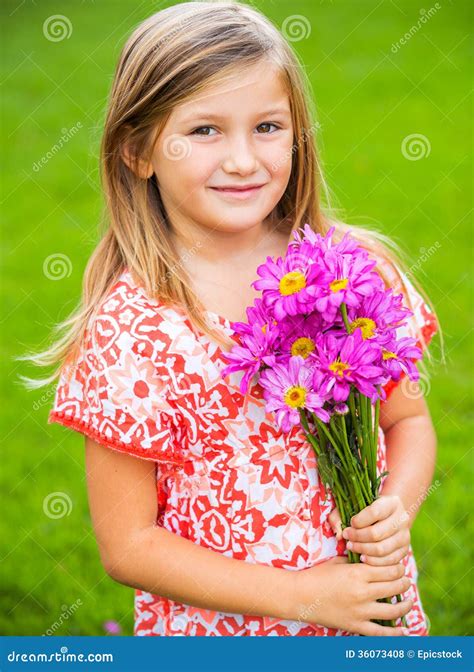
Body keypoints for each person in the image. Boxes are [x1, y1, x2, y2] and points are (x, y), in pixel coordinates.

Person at [22, 1, 438, 636]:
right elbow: (128, 546)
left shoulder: (353, 273)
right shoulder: (133, 330)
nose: (244, 160)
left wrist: (394, 509)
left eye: (267, 127)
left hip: (370, 618)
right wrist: (303, 598)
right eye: (206, 131)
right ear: (138, 151)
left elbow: (407, 420)